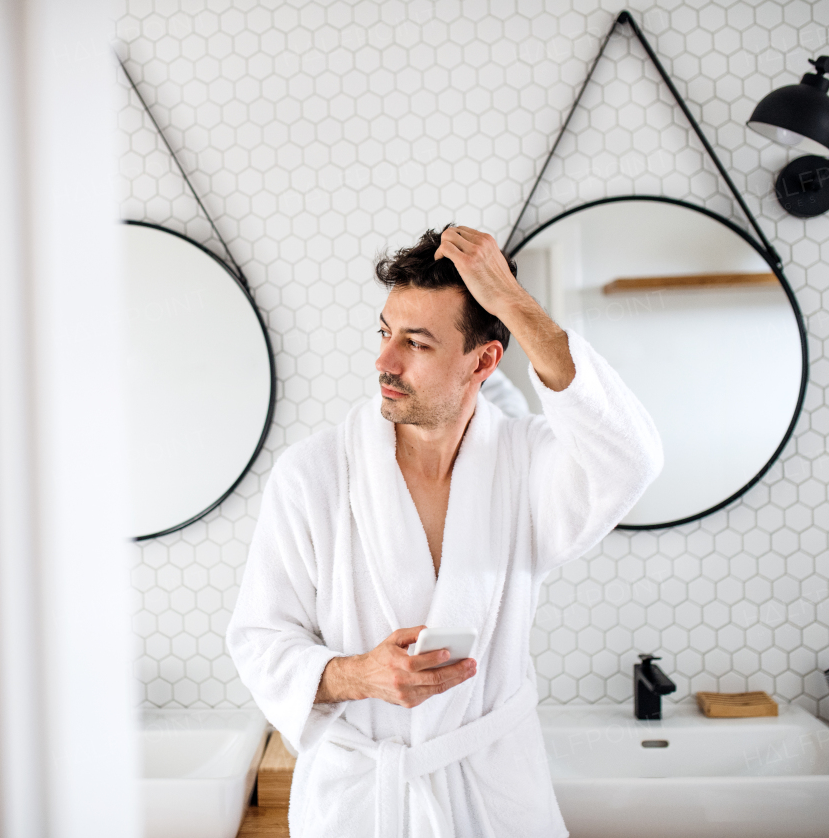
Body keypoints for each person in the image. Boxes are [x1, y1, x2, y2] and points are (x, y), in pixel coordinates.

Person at [225, 224, 664, 838]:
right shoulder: (314, 475)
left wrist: (513, 302)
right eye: (384, 332)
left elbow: (631, 458)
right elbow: (259, 640)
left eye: (417, 343)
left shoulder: (528, 465)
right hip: (362, 802)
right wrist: (359, 676)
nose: (384, 360)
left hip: (492, 798)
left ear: (483, 360)